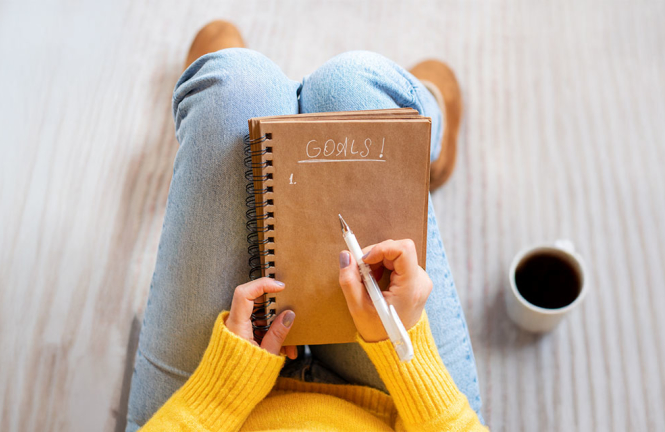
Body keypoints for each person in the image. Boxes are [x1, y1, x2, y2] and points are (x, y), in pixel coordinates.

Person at [125, 20, 487, 431]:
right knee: (355, 84)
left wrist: (222, 391)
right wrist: (402, 345)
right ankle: (430, 144)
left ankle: (208, 118)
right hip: (395, 403)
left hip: (213, 401)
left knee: (229, 85)